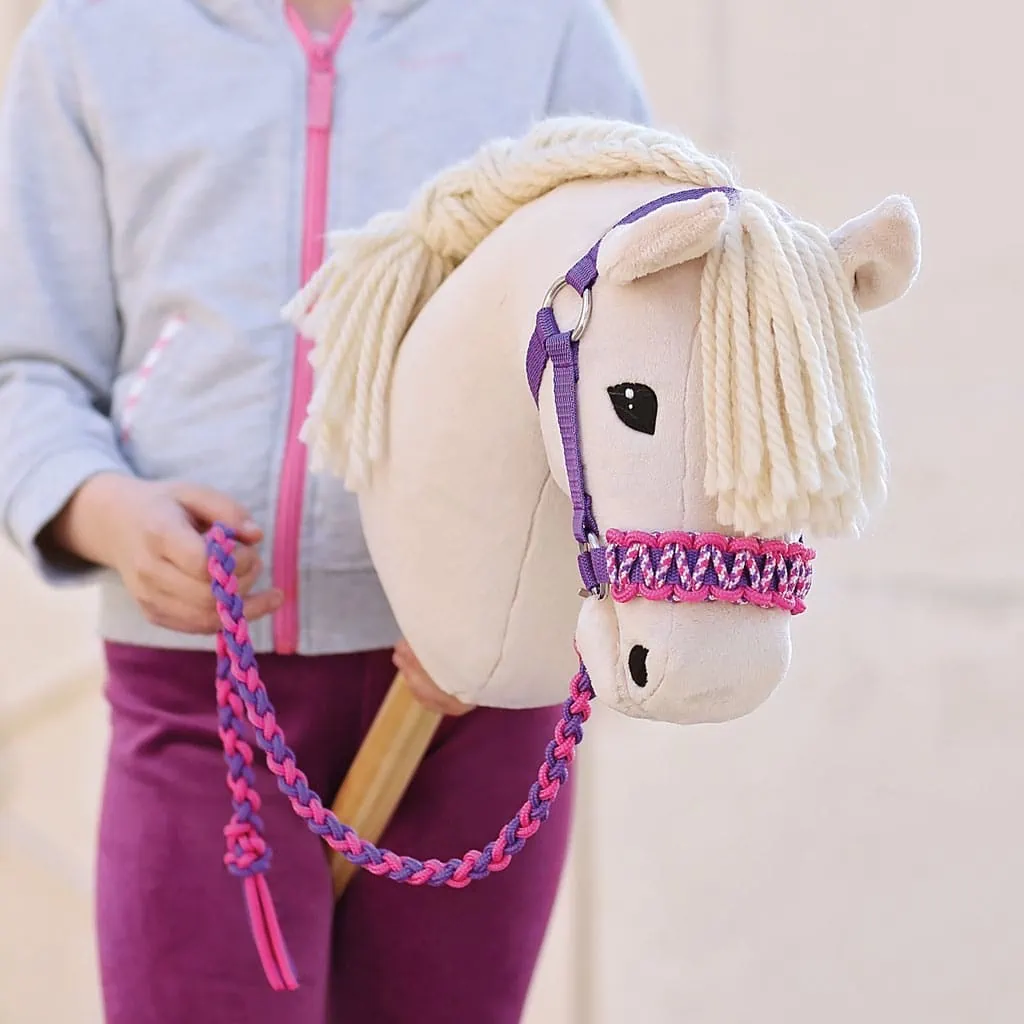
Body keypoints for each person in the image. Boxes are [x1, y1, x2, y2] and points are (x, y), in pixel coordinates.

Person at [0, 1, 649, 1020]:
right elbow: (24, 367)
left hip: (475, 707)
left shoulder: (548, 28)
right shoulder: (88, 39)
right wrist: (106, 509)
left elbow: (632, 344)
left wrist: (498, 603)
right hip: (197, 698)